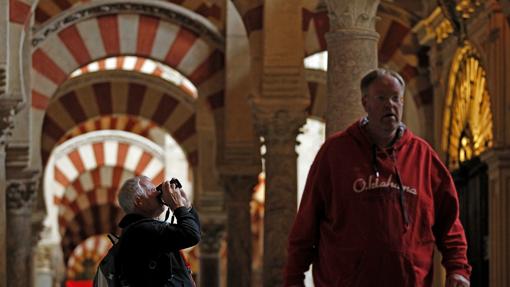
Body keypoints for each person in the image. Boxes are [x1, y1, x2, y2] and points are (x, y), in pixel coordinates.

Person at [284, 68, 471, 287]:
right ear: (365, 103)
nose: (390, 105)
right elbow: (307, 222)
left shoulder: (423, 156)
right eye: (381, 98)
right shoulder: (335, 153)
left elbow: (449, 221)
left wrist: (458, 268)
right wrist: (294, 278)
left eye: (395, 98)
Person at [116, 175, 200, 286]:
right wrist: (178, 207)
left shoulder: (144, 229)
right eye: (152, 190)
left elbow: (195, 232)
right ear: (139, 201)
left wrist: (187, 206)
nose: (158, 193)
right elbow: (191, 235)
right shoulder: (140, 231)